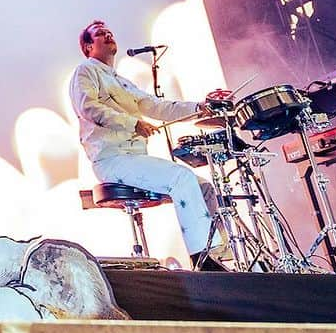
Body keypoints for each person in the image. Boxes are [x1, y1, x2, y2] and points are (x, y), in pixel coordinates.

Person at [70, 21, 232, 269]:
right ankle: (203, 261)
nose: (108, 35)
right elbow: (88, 107)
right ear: (88, 47)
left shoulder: (121, 81)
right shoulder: (85, 71)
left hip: (133, 158)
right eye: (100, 34)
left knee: (204, 188)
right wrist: (133, 123)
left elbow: (158, 106)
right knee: (181, 178)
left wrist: (200, 108)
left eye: (109, 32)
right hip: (112, 159)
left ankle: (219, 255)